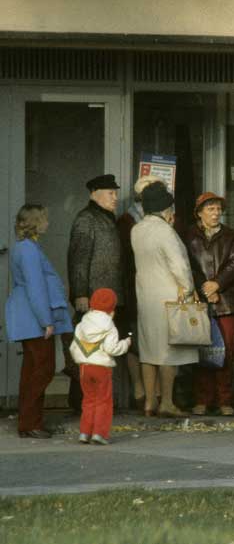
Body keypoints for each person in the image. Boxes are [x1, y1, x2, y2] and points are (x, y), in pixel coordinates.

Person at [4, 204, 74, 439]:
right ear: (34, 221)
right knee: (42, 370)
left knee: (32, 370)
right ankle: (31, 423)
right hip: (35, 318)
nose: (48, 222)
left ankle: (29, 422)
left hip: (28, 316)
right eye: (44, 218)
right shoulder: (30, 250)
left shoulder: (25, 248)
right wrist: (46, 321)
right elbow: (36, 287)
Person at [132, 183, 197, 418]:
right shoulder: (165, 231)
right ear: (165, 208)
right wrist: (188, 289)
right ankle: (167, 402)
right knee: (169, 352)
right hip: (169, 296)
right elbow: (178, 265)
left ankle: (150, 401)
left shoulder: (137, 230)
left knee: (148, 352)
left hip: (145, 296)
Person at [67, 174, 124, 412]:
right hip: (92, 299)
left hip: (106, 299)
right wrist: (80, 293)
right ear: (94, 194)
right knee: (87, 350)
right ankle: (80, 402)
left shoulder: (106, 218)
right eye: (110, 193)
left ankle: (97, 401)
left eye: (116, 193)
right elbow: (78, 259)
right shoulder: (86, 219)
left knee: (100, 352)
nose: (115, 198)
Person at [184, 192, 234, 416]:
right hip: (200, 300)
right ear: (199, 213)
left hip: (227, 302)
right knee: (202, 352)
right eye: (211, 209)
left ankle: (225, 400)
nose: (216, 213)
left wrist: (217, 285)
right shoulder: (189, 236)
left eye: (218, 209)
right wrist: (204, 288)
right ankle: (202, 399)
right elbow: (187, 266)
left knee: (226, 353)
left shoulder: (231, 235)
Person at [116, 175, 164, 410]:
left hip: (156, 287)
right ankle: (139, 388)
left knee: (155, 338)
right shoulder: (127, 221)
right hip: (134, 286)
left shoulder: (166, 219)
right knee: (135, 337)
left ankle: (155, 392)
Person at [69, 288, 131, 445]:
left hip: (84, 367)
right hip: (102, 368)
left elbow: (73, 347)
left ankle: (84, 432)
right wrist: (126, 343)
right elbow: (112, 349)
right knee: (103, 401)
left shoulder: (82, 324)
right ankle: (99, 433)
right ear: (112, 309)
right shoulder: (109, 326)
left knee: (88, 400)